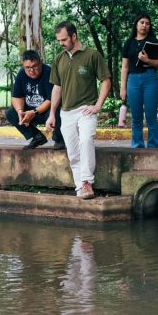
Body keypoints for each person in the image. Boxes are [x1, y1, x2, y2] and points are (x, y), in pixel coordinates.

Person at [46, 21, 111, 200]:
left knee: (86, 140)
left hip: (86, 109)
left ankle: (87, 182)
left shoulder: (92, 55)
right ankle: (80, 187)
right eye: (59, 40)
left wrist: (98, 106)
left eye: (64, 39)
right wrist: (52, 114)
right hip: (66, 112)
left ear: (74, 36)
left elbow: (106, 81)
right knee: (73, 152)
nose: (61, 43)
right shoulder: (59, 59)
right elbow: (57, 88)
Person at [120, 14, 158, 148]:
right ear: (136, 24)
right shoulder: (129, 43)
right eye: (142, 22)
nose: (145, 25)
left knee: (151, 116)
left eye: (147, 23)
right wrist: (123, 88)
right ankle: (137, 146)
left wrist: (147, 60)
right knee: (136, 117)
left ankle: (154, 146)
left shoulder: (153, 41)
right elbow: (124, 67)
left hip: (150, 78)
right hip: (133, 80)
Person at [6, 50, 65, 150]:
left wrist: (34, 112)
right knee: (11, 113)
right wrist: (20, 111)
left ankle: (59, 139)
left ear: (40, 63)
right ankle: (37, 137)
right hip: (31, 111)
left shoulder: (49, 72)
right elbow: (16, 97)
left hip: (48, 112)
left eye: (35, 66)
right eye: (27, 67)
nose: (31, 70)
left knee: (57, 109)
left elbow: (51, 99)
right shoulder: (21, 74)